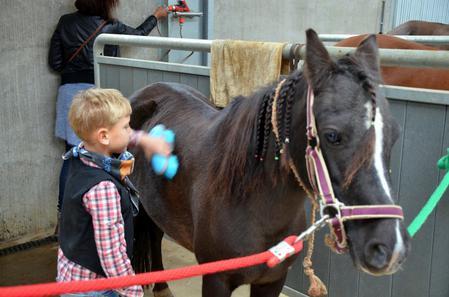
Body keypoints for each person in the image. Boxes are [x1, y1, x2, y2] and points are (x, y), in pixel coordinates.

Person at [48, 0, 168, 213]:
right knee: (106, 154)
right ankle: (109, 210)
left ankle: (63, 213)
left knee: (72, 156)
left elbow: (55, 63)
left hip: (69, 95)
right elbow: (137, 35)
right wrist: (156, 16)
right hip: (98, 95)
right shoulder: (109, 25)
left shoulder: (65, 22)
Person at [57, 88, 171, 297]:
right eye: (126, 127)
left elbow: (117, 139)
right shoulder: (103, 189)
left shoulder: (79, 155)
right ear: (104, 136)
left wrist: (145, 140)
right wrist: (133, 292)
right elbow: (111, 255)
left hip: (71, 276)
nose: (130, 131)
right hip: (95, 288)